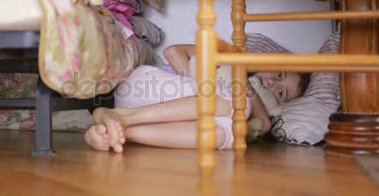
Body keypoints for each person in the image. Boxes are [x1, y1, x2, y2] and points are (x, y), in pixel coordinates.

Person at [84, 44, 310, 152]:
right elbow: (172, 52)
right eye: (279, 75)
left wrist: (246, 87)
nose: (272, 84)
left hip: (158, 119)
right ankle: (123, 118)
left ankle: (120, 132)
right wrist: (200, 85)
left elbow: (264, 126)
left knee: (227, 134)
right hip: (143, 89)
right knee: (232, 103)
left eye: (281, 92)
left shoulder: (247, 94)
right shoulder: (229, 58)